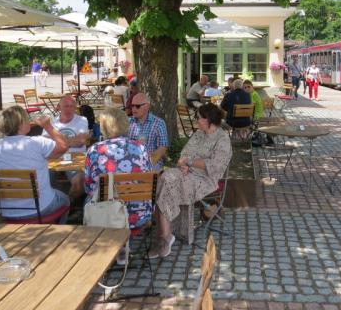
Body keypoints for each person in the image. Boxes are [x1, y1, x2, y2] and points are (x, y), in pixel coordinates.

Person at [70, 107, 153, 264]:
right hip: (139, 213)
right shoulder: (141, 148)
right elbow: (148, 178)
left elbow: (89, 188)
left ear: (104, 127)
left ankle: (111, 244)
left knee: (88, 199)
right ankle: (122, 244)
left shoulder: (95, 150)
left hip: (107, 213)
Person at [149, 103, 232, 258]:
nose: (196, 120)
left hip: (206, 179)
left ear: (208, 119)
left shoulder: (222, 139)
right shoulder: (199, 134)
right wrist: (183, 164)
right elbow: (185, 154)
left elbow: (215, 165)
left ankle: (164, 237)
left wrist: (190, 162)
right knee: (163, 178)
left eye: (198, 117)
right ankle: (165, 235)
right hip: (188, 173)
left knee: (168, 182)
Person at [0, 106, 70, 223]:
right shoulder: (37, 142)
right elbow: (63, 146)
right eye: (27, 118)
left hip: (5, 210)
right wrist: (47, 126)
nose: (29, 120)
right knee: (66, 200)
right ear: (20, 124)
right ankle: (56, 229)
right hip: (38, 209)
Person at [128, 92, 169, 170]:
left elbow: (162, 147)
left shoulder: (158, 123)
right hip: (130, 161)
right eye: (132, 106)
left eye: (137, 106)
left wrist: (148, 163)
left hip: (151, 161)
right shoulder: (128, 121)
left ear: (147, 106)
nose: (134, 109)